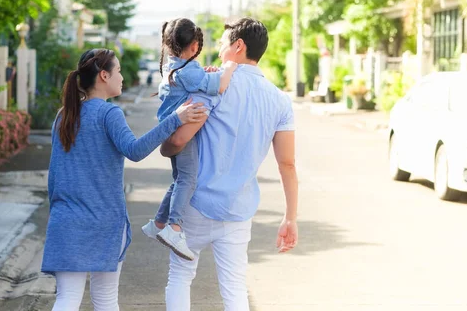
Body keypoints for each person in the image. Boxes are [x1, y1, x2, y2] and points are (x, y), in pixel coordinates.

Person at [41, 48, 206, 311]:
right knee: (105, 300)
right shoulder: (109, 114)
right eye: (118, 71)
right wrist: (175, 119)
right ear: (104, 76)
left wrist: (60, 212)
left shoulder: (63, 116)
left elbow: (54, 177)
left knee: (66, 299)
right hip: (104, 222)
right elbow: (136, 150)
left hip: (66, 221)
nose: (122, 77)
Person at [160, 18, 299, 311]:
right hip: (239, 210)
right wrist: (290, 218)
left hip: (195, 204)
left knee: (181, 276)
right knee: (235, 289)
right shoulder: (280, 101)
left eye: (224, 43)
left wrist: (165, 147)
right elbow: (287, 163)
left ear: (239, 46)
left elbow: (179, 140)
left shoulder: (213, 88)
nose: (219, 49)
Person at [141, 18, 237, 261]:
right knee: (188, 179)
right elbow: (220, 86)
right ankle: (174, 227)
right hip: (181, 129)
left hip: (170, 127)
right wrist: (230, 66)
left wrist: (205, 73)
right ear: (194, 46)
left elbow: (195, 81)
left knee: (179, 179)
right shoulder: (189, 70)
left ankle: (159, 223)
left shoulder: (172, 65)